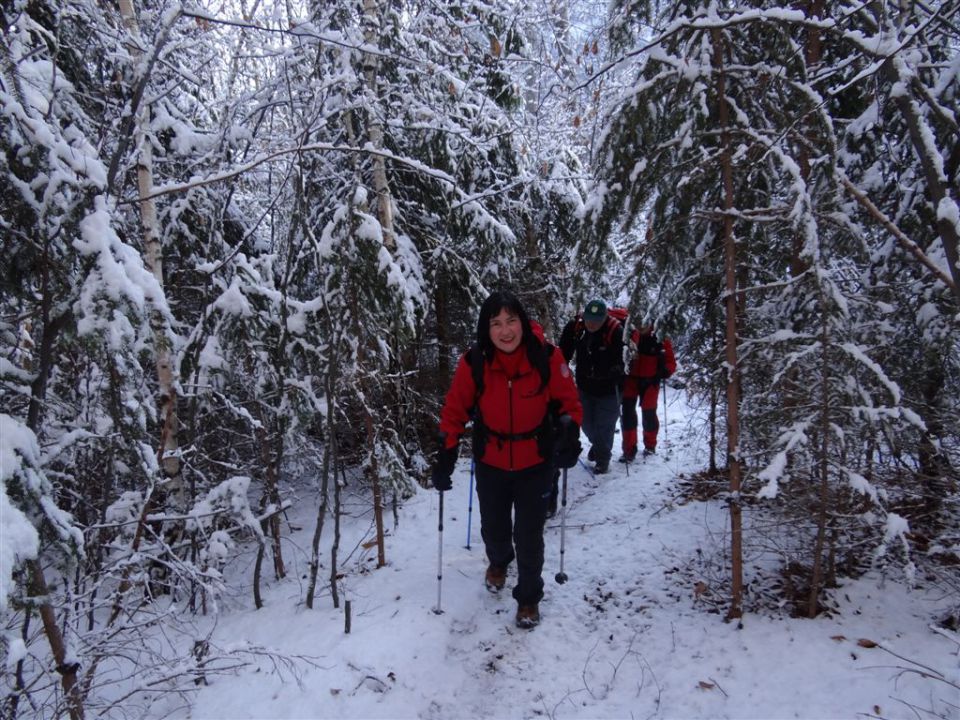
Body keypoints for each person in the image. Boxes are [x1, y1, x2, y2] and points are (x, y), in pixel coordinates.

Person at [431, 290, 582, 629]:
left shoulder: (547, 356)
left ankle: (528, 598)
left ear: (523, 323)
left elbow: (568, 404)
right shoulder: (475, 363)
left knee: (529, 535)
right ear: (486, 328)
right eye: (496, 323)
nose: (505, 330)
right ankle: (499, 560)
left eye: (511, 320)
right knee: (494, 530)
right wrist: (446, 452)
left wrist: (568, 433)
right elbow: (455, 411)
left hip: (535, 461)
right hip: (491, 461)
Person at [559, 299, 625, 474]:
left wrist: (618, 369)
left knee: (605, 426)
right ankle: (598, 446)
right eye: (589, 319)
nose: (592, 323)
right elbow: (562, 353)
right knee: (586, 424)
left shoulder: (615, 331)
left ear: (605, 318)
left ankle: (603, 459)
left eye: (596, 320)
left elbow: (624, 358)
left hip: (610, 389)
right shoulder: (577, 328)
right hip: (585, 386)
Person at [620, 322, 676, 461]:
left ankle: (650, 446)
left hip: (651, 381)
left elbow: (670, 361)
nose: (642, 326)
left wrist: (666, 370)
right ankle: (629, 449)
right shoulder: (629, 334)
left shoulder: (659, 336)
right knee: (628, 414)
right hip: (630, 380)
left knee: (649, 414)